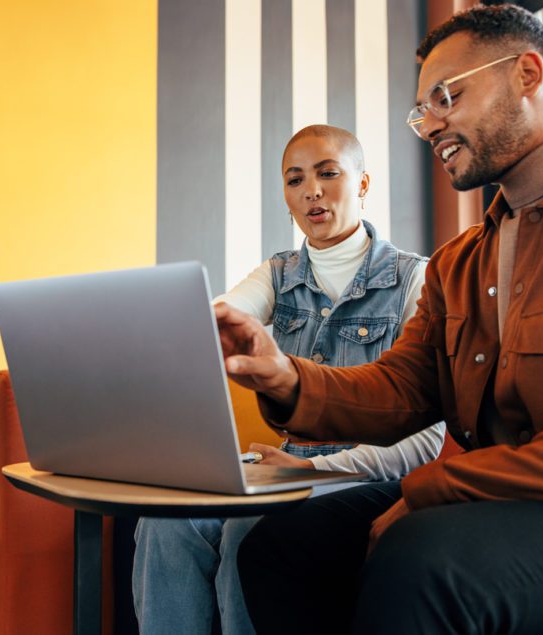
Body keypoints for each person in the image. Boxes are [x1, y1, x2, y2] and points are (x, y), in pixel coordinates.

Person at [219, 6, 543, 634]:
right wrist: (284, 377)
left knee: (424, 563)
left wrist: (437, 488)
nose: (429, 125)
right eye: (421, 110)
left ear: (528, 75)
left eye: (446, 98)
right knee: (280, 546)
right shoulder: (461, 260)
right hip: (507, 504)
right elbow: (402, 389)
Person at [131, 124, 446, 634]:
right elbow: (217, 318)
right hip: (279, 471)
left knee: (246, 532)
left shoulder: (417, 278)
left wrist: (312, 469)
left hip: (362, 475)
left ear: (363, 184)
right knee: (167, 522)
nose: (311, 192)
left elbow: (424, 442)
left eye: (328, 174)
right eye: (295, 180)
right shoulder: (277, 274)